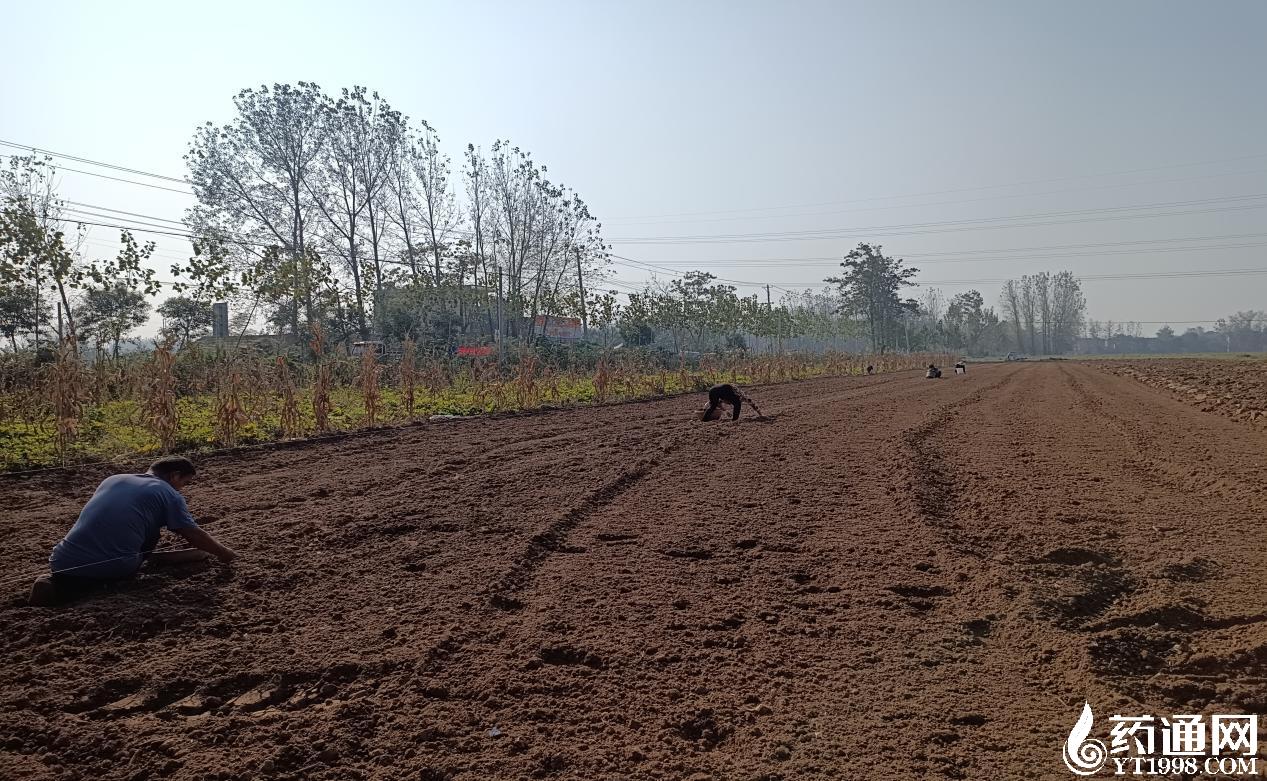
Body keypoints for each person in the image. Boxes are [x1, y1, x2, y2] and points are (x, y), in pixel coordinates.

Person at [28, 456, 237, 606]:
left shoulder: (113, 479)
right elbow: (190, 532)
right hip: (112, 566)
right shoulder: (168, 493)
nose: (181, 488)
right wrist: (225, 553)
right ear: (174, 475)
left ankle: (59, 580)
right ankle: (70, 588)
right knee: (151, 534)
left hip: (61, 558)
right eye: (184, 482)